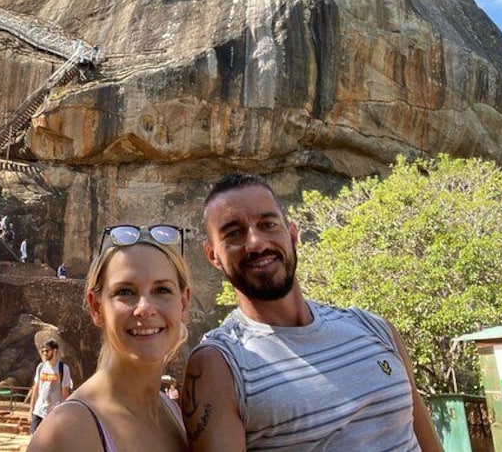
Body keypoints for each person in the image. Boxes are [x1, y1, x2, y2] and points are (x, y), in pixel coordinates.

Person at [184, 174, 442, 451]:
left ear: (293, 235)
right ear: (212, 256)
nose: (256, 243)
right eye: (234, 233)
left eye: (268, 224)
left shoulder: (375, 328)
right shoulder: (219, 364)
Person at [28, 224, 192, 451]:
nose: (145, 308)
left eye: (162, 290)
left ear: (183, 303)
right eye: (125, 292)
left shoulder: (175, 415)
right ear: (96, 307)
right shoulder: (67, 432)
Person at [28, 339, 72, 435]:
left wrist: (65, 413)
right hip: (39, 411)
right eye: (43, 351)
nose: (44, 353)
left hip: (54, 412)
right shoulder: (40, 367)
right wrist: (31, 410)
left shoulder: (63, 369)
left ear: (55, 351)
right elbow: (35, 389)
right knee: (33, 439)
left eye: (47, 351)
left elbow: (65, 393)